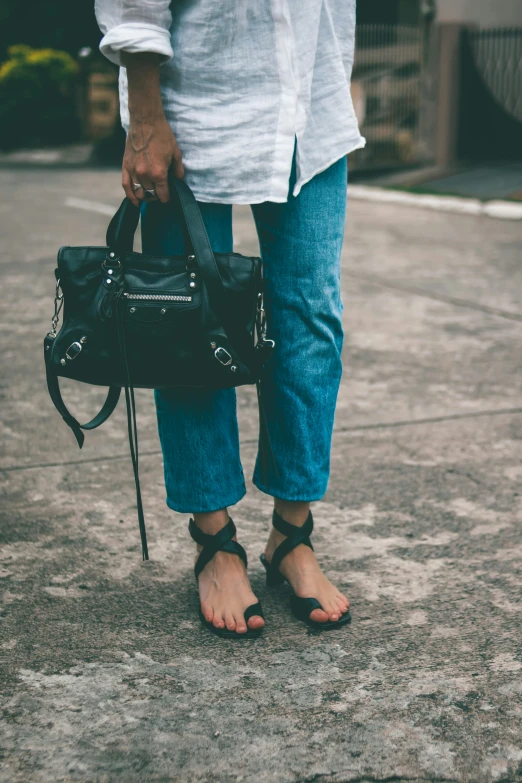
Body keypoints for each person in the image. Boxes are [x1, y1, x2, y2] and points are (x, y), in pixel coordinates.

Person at [95, 0, 365, 638]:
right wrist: (144, 117)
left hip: (311, 108)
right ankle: (214, 543)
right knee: (189, 324)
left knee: (310, 319)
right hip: (191, 109)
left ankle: (291, 534)